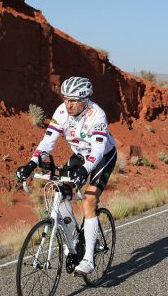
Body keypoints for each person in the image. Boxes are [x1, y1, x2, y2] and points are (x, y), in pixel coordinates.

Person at [16, 76, 117, 276]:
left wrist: (85, 170)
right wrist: (30, 165)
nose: (68, 104)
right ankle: (73, 239)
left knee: (89, 201)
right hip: (80, 156)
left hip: (103, 157)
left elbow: (96, 152)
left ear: (85, 100)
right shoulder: (61, 111)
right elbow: (47, 143)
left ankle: (88, 259)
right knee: (58, 191)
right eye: (65, 99)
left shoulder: (97, 115)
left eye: (73, 100)